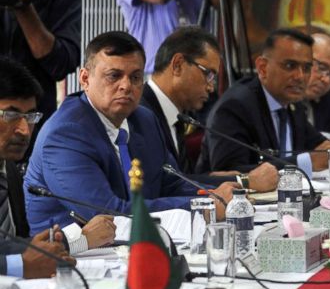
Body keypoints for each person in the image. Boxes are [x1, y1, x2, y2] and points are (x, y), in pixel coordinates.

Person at [24, 31, 233, 232]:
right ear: (85, 79)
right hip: (73, 257)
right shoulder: (65, 135)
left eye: (135, 77)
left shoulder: (144, 119)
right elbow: (109, 214)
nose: (126, 86)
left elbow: (172, 184)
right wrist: (204, 207)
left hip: (133, 246)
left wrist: (215, 197)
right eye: (114, 76)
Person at [142, 26, 278, 190]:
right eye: (208, 74)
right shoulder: (141, 113)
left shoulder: (177, 115)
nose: (211, 87)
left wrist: (209, 178)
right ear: (178, 65)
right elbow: (165, 186)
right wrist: (245, 181)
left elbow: (180, 178)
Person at [201, 29, 330, 174]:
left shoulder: (292, 105)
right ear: (262, 67)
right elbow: (228, 172)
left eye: (306, 68)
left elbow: (320, 146)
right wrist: (303, 163)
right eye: (290, 66)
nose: (300, 76)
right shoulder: (236, 106)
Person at [0, 57, 79, 278]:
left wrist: (34, 247)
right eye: (12, 115)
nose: (25, 130)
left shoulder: (10, 171)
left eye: (30, 116)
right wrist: (20, 266)